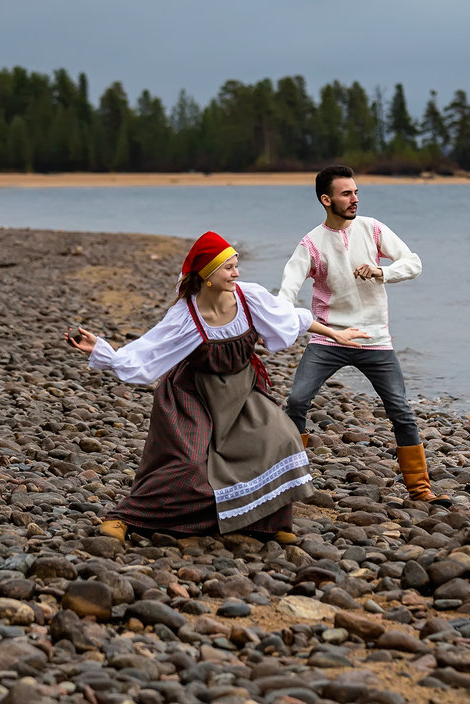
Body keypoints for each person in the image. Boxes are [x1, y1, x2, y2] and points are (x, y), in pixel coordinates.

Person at [67, 230, 368, 543]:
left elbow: (292, 318)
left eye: (236, 266)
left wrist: (336, 334)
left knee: (281, 439)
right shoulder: (186, 315)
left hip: (242, 392)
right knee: (189, 466)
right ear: (208, 275)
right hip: (192, 395)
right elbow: (147, 350)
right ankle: (127, 517)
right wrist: (104, 352)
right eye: (229, 267)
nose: (236, 273)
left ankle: (268, 524)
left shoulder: (248, 297)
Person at [279, 165, 450, 506]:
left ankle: (420, 490)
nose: (355, 199)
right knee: (297, 401)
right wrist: (279, 321)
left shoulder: (372, 229)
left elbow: (413, 263)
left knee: (400, 409)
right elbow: (286, 294)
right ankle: (289, 482)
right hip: (329, 339)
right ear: (326, 200)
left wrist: (381, 270)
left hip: (375, 340)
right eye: (346, 194)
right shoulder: (311, 244)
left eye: (356, 192)